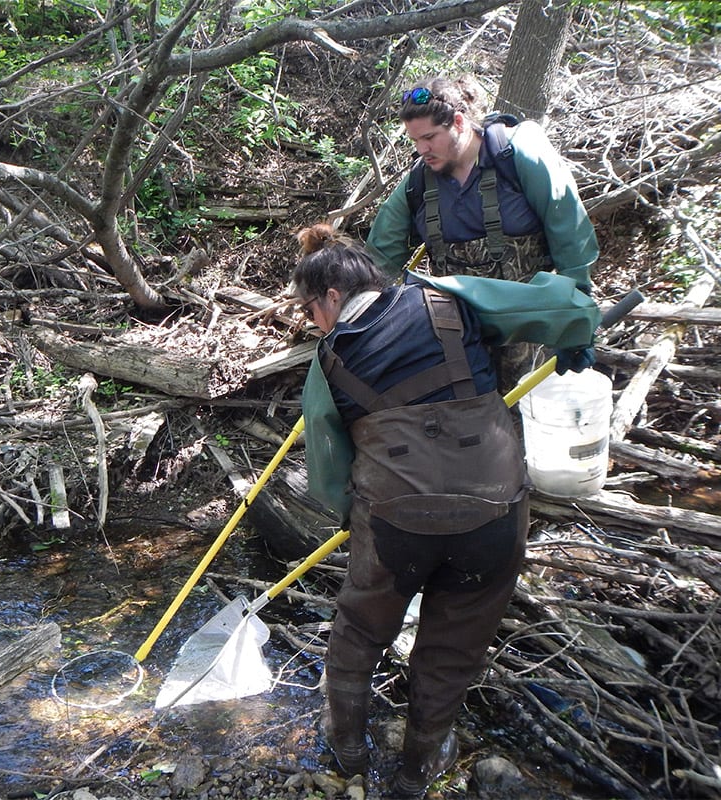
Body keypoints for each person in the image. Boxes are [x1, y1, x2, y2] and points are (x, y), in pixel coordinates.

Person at [293, 222, 531, 799]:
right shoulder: (451, 300)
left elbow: (328, 470)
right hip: (494, 515)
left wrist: (352, 517)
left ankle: (347, 746)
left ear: (331, 298)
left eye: (309, 310)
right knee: (453, 646)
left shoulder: (330, 360)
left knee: (360, 625)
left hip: (396, 525)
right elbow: (540, 319)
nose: (311, 323)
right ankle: (416, 771)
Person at [365, 74, 600, 389]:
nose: (422, 149)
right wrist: (361, 318)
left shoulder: (517, 154)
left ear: (459, 122)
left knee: (529, 423)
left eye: (430, 137)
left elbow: (570, 233)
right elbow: (379, 259)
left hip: (530, 333)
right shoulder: (419, 183)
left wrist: (576, 321)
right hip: (458, 339)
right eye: (415, 141)